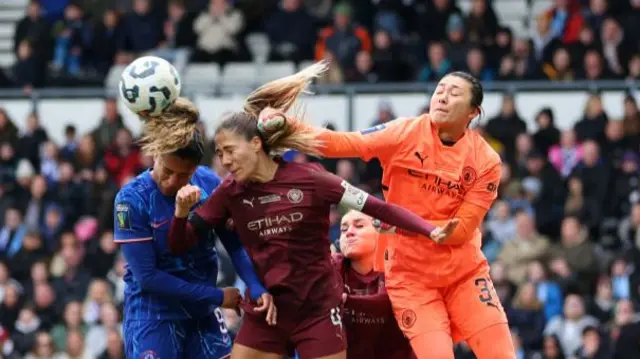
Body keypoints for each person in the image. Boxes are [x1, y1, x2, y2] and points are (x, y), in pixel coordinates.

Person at [158, 66, 458, 359]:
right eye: (220, 153)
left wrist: (429, 229)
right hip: (268, 310)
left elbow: (378, 207)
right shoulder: (229, 191)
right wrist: (181, 213)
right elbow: (179, 243)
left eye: (229, 150)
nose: (223, 160)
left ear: (255, 143)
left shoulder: (312, 179)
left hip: (318, 310)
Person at [257, 64, 515, 359]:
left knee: (501, 354)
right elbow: (344, 143)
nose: (442, 97)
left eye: (454, 93)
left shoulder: (486, 161)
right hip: (411, 279)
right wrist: (288, 126)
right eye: (439, 90)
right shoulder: (404, 132)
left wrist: (396, 225)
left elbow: (461, 232)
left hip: (465, 274)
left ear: (473, 112)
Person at [113, 97, 272, 359]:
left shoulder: (209, 182)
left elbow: (233, 243)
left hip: (202, 314)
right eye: (167, 171)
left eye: (183, 175)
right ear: (156, 155)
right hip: (154, 314)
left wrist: (255, 285)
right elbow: (148, 278)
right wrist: (218, 296)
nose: (172, 182)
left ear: (195, 168)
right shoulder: (130, 200)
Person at [334, 209, 415, 359]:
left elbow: (388, 300)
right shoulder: (332, 266)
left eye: (359, 226)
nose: (349, 232)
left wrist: (344, 300)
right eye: (343, 229)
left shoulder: (399, 263)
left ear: (380, 233)